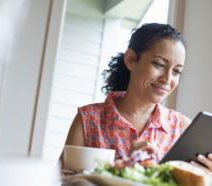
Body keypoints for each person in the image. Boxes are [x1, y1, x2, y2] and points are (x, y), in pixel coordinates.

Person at [65, 23, 212, 172]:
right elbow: (65, 181)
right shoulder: (88, 120)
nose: (167, 79)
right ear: (131, 59)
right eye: (159, 64)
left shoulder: (182, 129)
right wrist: (128, 165)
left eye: (176, 71)